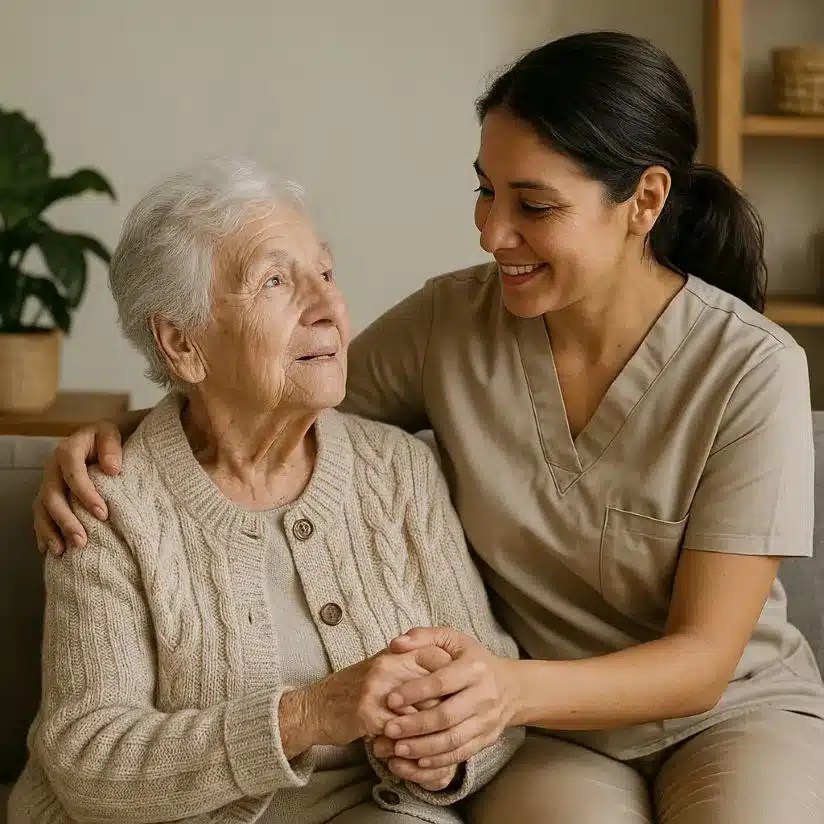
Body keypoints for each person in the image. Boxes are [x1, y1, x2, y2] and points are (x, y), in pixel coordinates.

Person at [31, 32, 824, 824]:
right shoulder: (452, 322)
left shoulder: (752, 369)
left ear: (644, 202)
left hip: (721, 712)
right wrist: (121, 436)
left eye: (534, 206)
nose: (492, 233)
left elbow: (703, 662)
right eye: (486, 191)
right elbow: (274, 395)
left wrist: (499, 691)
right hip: (543, 731)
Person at [8, 159, 523, 824]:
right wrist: (307, 715)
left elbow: (491, 680)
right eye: (276, 280)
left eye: (327, 273)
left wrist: (451, 750)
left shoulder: (400, 472)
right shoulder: (111, 504)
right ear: (182, 343)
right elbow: (88, 756)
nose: (328, 306)